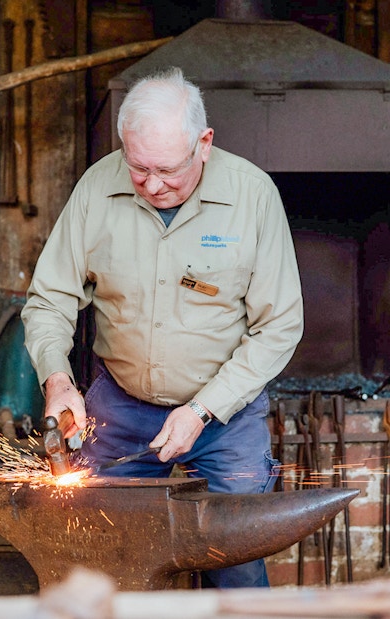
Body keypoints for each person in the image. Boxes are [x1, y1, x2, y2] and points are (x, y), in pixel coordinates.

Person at [21, 67, 303, 588]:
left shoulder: (253, 196)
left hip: (225, 417)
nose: (152, 185)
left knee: (237, 570)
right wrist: (57, 380)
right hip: (120, 410)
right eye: (138, 168)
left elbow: (279, 327)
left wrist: (201, 410)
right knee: (101, 566)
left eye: (167, 170)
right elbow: (48, 300)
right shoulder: (94, 189)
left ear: (204, 142)